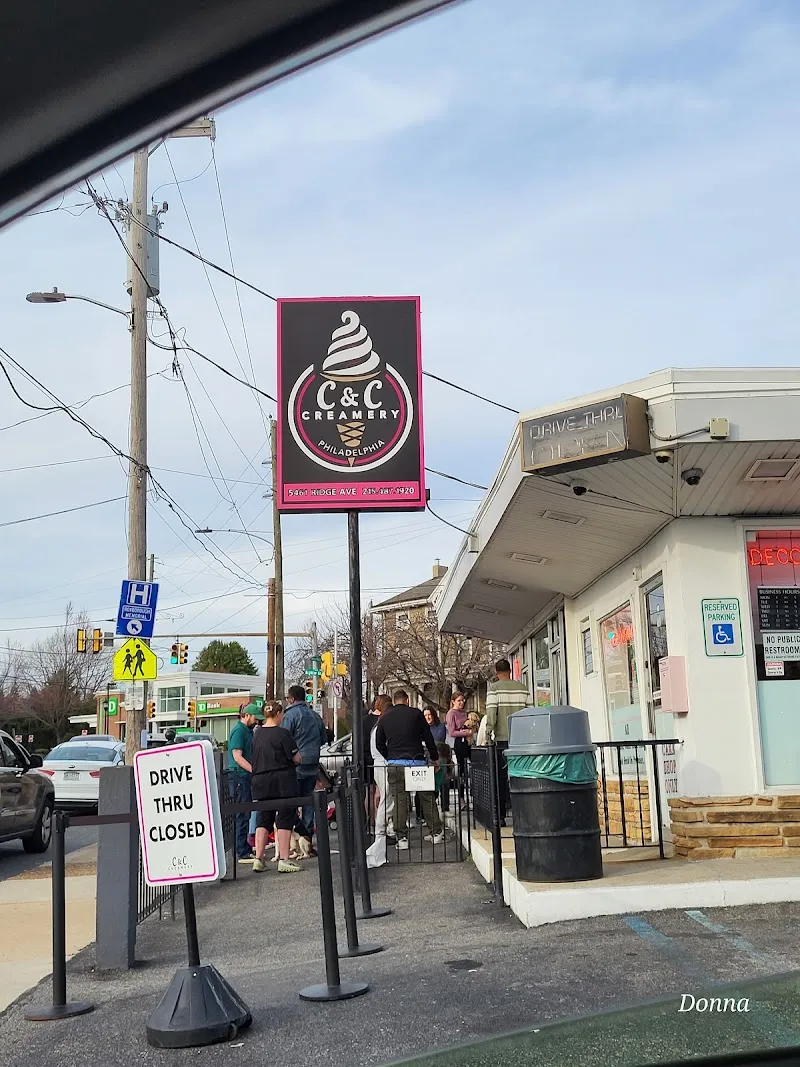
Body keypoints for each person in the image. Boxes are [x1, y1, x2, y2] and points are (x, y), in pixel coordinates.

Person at [375, 689, 442, 849]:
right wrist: (434, 758)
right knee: (426, 797)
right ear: (407, 700)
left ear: (394, 700)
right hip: (417, 761)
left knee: (400, 800)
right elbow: (428, 737)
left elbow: (379, 743)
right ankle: (436, 832)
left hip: (395, 763)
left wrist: (389, 756)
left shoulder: (384, 718)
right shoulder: (416, 714)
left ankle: (402, 838)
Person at [250, 701, 303, 874]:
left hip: (260, 781)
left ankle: (258, 858)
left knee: (263, 818)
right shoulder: (283, 734)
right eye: (282, 714)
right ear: (278, 713)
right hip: (282, 781)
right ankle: (284, 859)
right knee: (285, 818)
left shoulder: (256, 734)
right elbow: (296, 759)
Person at [485, 658, 529, 820]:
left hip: (502, 740)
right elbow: (529, 714)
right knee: (521, 776)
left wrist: (489, 733)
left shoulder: (494, 689)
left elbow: (491, 714)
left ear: (496, 673)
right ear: (510, 671)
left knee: (500, 779)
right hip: (521, 740)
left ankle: (500, 816)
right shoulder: (523, 689)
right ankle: (522, 813)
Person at [282, 684, 327, 839]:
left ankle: (295, 834)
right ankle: (307, 836)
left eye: (288, 698)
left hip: (295, 763)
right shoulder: (315, 716)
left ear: (292, 698)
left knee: (292, 800)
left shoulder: (290, 715)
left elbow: (284, 739)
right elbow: (323, 739)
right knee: (309, 801)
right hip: (313, 761)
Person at [228, 703, 263, 861]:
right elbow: (237, 756)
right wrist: (253, 769)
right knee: (242, 813)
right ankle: (241, 850)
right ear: (247, 715)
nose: (256, 721)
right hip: (239, 776)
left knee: (245, 812)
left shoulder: (246, 731)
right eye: (255, 718)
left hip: (244, 776)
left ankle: (244, 847)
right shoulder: (239, 731)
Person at [366, 693, 394, 868]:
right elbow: (381, 746)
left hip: (379, 765)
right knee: (387, 800)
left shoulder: (377, 726)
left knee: (385, 798)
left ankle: (383, 829)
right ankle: (381, 831)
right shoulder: (381, 726)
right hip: (383, 764)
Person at [445, 691, 474, 797]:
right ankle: (461, 797)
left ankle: (474, 791)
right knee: (461, 769)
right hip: (459, 742)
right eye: (459, 701)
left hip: (468, 741)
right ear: (453, 702)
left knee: (474, 765)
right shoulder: (451, 713)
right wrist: (465, 732)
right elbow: (452, 732)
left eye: (462, 700)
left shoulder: (464, 712)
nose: (461, 702)